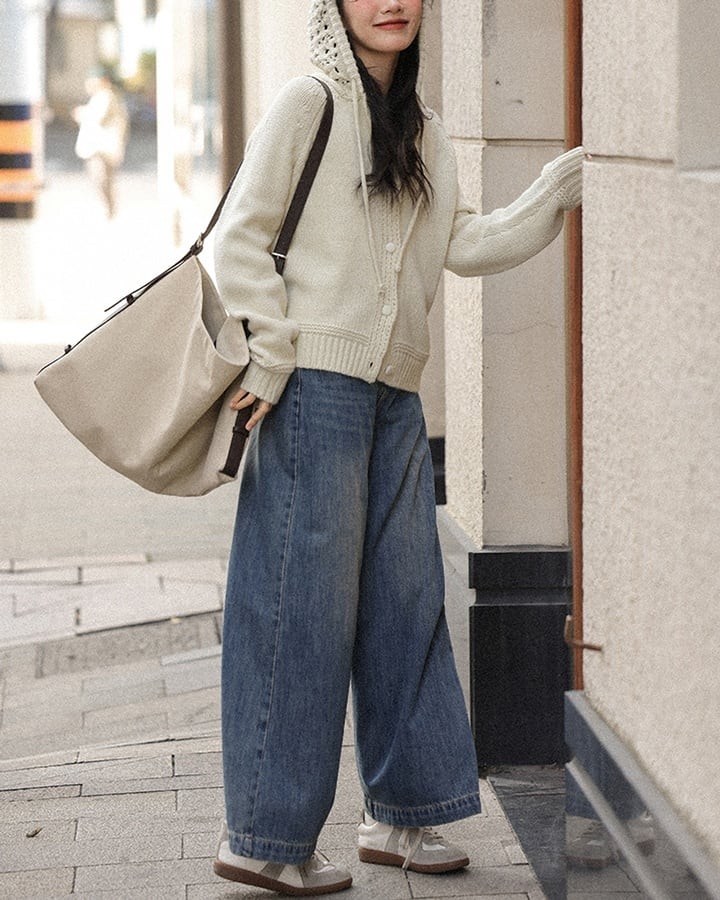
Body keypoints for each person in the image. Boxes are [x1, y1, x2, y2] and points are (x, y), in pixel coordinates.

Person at [212, 0, 583, 894]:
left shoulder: (424, 130)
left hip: (395, 401)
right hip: (314, 394)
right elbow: (238, 240)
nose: (393, 3)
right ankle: (263, 838)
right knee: (298, 615)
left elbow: (465, 242)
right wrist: (271, 352)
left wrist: (554, 192)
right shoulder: (307, 103)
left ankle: (402, 816)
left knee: (406, 606)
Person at [73, 69, 129, 218]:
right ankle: (110, 208)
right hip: (103, 148)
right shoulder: (101, 97)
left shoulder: (106, 96)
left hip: (102, 149)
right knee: (104, 179)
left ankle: (109, 209)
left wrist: (82, 113)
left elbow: (98, 118)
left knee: (101, 178)